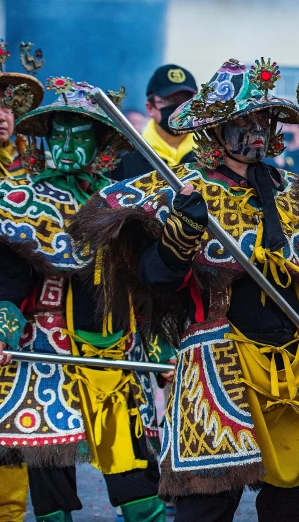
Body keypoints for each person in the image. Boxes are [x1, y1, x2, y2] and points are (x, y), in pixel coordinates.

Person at [71, 58, 299, 522]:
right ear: (215, 129)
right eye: (242, 121)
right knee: (205, 507)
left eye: (263, 120)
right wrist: (180, 235)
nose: (255, 131)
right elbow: (157, 280)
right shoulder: (183, 191)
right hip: (216, 363)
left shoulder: (296, 195)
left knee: (287, 505)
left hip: (294, 363)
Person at [0, 79, 166, 522]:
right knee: (50, 478)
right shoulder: (21, 200)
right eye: (59, 135)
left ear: (101, 144)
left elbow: (144, 278)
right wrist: (4, 328)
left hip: (117, 352)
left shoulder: (119, 199)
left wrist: (161, 341)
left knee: (135, 479)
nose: (68, 145)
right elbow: (11, 277)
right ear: (45, 140)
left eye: (80, 136)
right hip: (46, 352)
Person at [0, 43, 44, 522]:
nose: (2, 115)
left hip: (17, 317)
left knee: (8, 428)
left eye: (8, 105)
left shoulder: (34, 173)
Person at [113, 64, 198, 180]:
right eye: (169, 101)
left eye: (186, 101)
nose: (179, 109)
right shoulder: (125, 158)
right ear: (150, 108)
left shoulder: (212, 154)